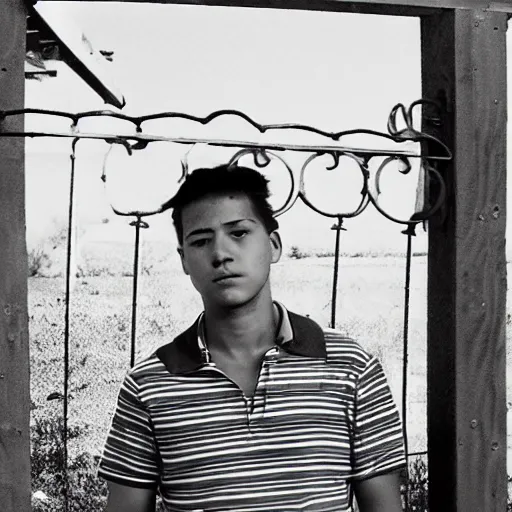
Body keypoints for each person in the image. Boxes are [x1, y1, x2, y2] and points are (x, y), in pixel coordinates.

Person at [98, 164, 406, 512]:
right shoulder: (150, 384)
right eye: (201, 241)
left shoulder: (350, 367)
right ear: (184, 260)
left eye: (239, 233)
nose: (220, 254)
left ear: (273, 245)